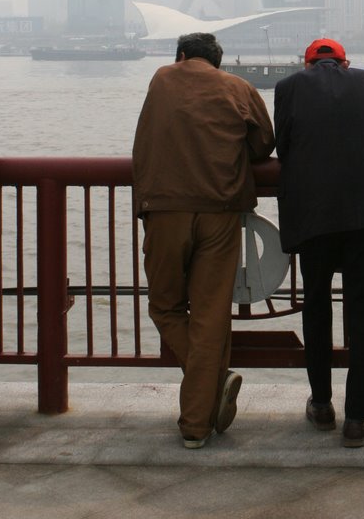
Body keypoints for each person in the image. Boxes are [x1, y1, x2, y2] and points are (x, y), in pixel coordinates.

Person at [132, 32, 275, 449]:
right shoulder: (238, 88)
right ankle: (198, 422)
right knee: (211, 313)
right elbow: (264, 143)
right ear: (218, 61)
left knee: (164, 305)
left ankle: (211, 386)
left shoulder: (161, 78)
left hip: (165, 209)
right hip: (221, 211)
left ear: (180, 57)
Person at [274, 37, 364, 448]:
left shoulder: (288, 88)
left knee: (316, 307)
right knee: (363, 316)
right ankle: (357, 419)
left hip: (313, 218)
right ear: (345, 63)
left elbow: (285, 148)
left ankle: (322, 405)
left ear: (307, 64)